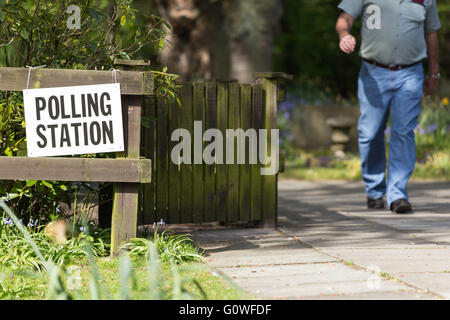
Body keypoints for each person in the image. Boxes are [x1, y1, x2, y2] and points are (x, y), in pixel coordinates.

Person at [335, 0, 441, 214]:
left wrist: (434, 72)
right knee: (369, 133)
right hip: (373, 72)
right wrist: (344, 35)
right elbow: (343, 20)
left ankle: (398, 194)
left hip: (410, 73)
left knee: (403, 132)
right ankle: (374, 190)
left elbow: (431, 33)